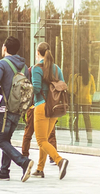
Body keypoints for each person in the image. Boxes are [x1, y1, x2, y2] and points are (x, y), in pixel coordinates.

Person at [0, 36, 34, 182]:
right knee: (7, 139)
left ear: (5, 48)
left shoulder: (2, 64)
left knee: (0, 140)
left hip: (4, 109)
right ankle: (4, 170)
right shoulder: (24, 67)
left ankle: (23, 162)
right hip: (17, 109)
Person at [31, 42, 68, 179]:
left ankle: (60, 161)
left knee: (41, 141)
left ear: (38, 53)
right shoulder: (57, 68)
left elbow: (35, 88)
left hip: (41, 105)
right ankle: (40, 169)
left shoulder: (37, 68)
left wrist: (27, 87)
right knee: (45, 139)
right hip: (54, 108)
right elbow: (62, 84)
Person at [21, 66, 58, 166]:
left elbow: (29, 88)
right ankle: (51, 159)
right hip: (45, 105)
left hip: (37, 105)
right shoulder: (52, 69)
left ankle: (25, 155)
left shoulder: (33, 70)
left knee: (35, 135)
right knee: (48, 134)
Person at [71, 59, 95, 144]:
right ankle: (89, 138)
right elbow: (93, 91)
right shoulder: (90, 77)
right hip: (87, 100)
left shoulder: (76, 77)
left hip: (78, 100)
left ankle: (77, 137)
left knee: (76, 118)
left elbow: (73, 90)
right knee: (87, 119)